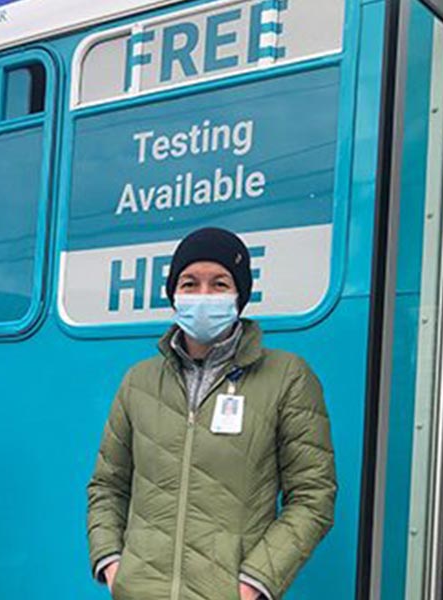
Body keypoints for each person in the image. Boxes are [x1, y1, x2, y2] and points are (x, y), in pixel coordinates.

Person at [86, 228, 337, 600]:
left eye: (219, 284)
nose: (203, 295)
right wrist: (112, 563)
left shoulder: (287, 377)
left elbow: (313, 496)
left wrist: (254, 583)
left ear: (240, 295)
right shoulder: (138, 381)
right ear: (174, 294)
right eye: (189, 283)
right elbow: (107, 485)